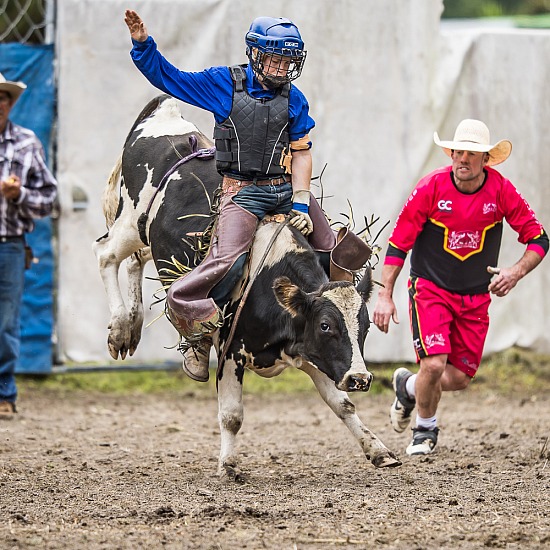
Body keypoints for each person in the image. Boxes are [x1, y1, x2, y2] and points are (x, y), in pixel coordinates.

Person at [124, 10, 371, 382]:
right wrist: (144, 46)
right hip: (243, 192)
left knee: (342, 252)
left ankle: (336, 328)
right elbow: (169, 78)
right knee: (226, 261)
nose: (283, 65)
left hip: (286, 187)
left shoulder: (294, 98)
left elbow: (301, 152)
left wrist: (302, 201)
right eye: (276, 57)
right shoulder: (224, 84)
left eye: (289, 59)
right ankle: (193, 328)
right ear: (255, 54)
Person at [372, 119, 548, 456]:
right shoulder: (431, 188)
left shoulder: (501, 191)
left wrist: (514, 272)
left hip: (475, 297)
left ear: (486, 159)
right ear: (450, 153)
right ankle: (425, 430)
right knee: (434, 365)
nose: (462, 158)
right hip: (430, 289)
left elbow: (539, 239)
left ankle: (406, 386)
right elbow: (398, 244)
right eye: (457, 151)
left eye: (471, 153)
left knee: (458, 378)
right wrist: (385, 294)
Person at [0, 73, 58, 419]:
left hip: (9, 244)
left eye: (2, 98)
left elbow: (48, 199)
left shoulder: (26, 142)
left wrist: (19, 194)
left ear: (9, 104)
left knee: (5, 322)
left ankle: (4, 390)